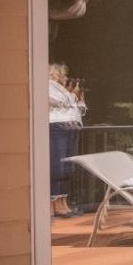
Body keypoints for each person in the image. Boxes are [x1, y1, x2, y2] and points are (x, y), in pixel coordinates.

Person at [47, 63, 84, 216]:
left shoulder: (63, 90)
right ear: (52, 74)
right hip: (57, 128)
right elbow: (58, 101)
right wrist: (73, 96)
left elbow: (80, 108)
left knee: (68, 167)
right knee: (57, 166)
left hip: (70, 127)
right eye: (61, 74)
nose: (65, 77)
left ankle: (63, 201)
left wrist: (77, 98)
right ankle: (52, 203)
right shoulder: (48, 85)